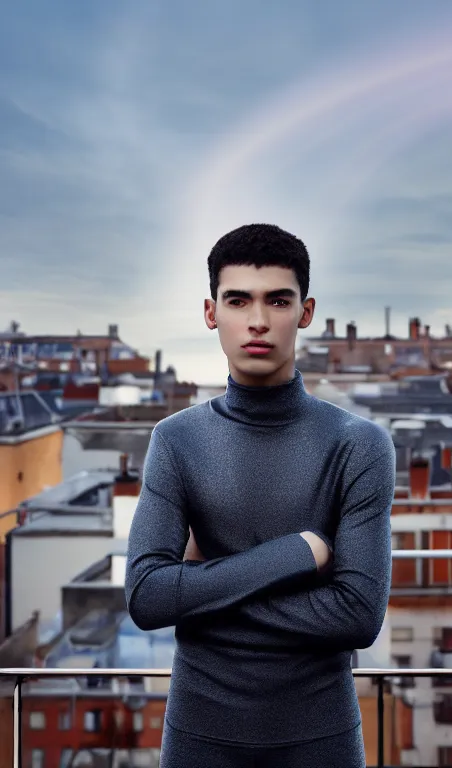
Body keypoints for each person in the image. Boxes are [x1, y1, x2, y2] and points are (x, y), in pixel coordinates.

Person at [125, 223, 396, 767]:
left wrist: (201, 597)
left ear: (305, 311)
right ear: (211, 312)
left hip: (321, 738)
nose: (257, 320)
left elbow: (359, 616)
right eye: (237, 300)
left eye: (277, 300)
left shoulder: (359, 444)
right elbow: (147, 596)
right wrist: (296, 553)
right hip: (200, 735)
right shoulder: (176, 439)